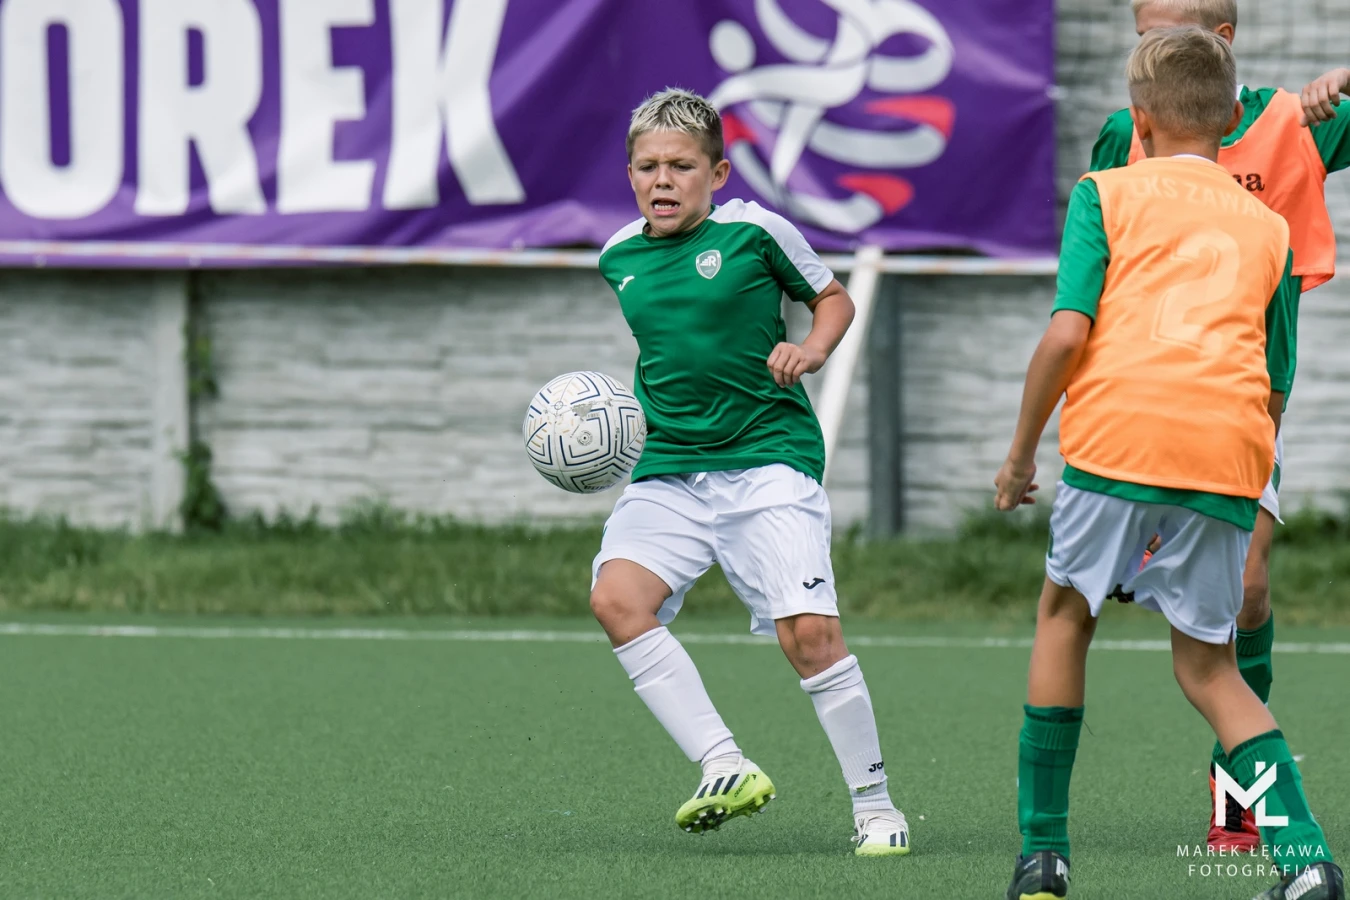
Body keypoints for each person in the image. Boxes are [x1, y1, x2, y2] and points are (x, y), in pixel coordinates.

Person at [997, 27, 1342, 900]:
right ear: (1230, 120)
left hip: (1118, 443)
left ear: (1138, 121)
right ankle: (1306, 862)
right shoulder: (1270, 228)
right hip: (1228, 456)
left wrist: (1020, 455)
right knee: (1210, 668)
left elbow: (1066, 336)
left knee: (1065, 617)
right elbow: (1273, 378)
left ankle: (1043, 855)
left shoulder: (1104, 192)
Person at [589, 87, 910, 856]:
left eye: (681, 166)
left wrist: (813, 348)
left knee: (810, 636)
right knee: (616, 600)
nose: (663, 181)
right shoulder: (617, 256)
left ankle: (876, 807)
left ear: (718, 173)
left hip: (768, 460)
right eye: (647, 167)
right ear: (630, 175)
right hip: (669, 468)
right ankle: (723, 763)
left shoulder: (756, 232)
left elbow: (832, 299)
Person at [1092, 0, 1350, 851]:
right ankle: (1043, 841)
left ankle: (1239, 801)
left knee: (1249, 590)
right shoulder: (1125, 130)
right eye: (1141, 34)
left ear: (1222, 40)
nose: (1147, 49)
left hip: (1245, 399)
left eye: (1163, 33)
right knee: (1070, 612)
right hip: (1139, 401)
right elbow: (1093, 270)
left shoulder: (1292, 123)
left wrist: (1347, 81)